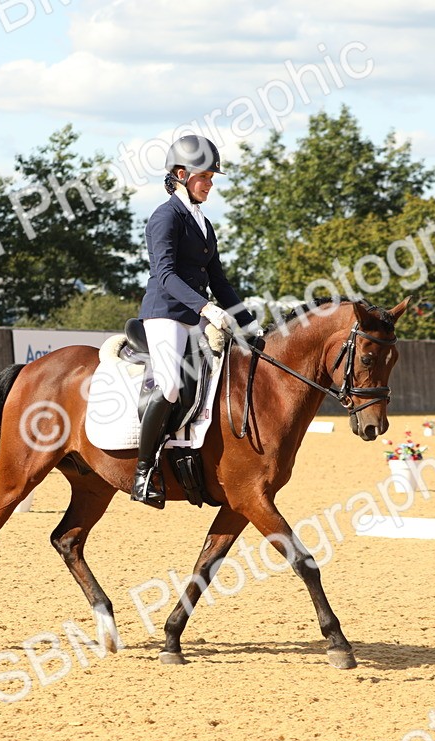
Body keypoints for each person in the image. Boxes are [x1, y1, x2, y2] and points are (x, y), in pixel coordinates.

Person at [131, 134, 261, 508]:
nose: (210, 184)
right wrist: (206, 309)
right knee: (171, 385)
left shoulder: (203, 223)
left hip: (195, 317)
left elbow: (219, 281)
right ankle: (143, 471)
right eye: (204, 177)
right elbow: (166, 274)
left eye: (212, 178)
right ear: (181, 174)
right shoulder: (165, 216)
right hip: (165, 314)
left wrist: (248, 324)